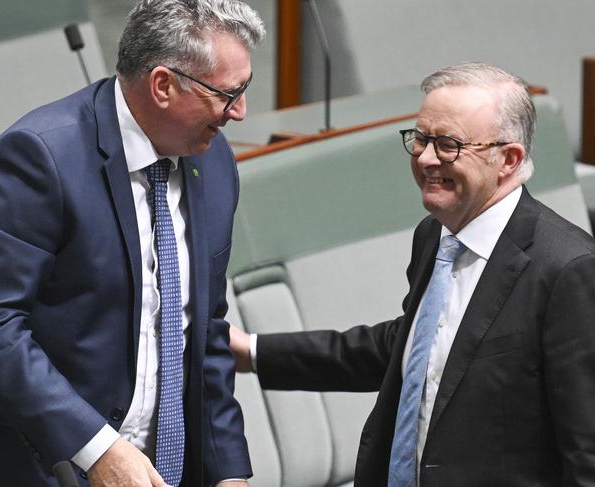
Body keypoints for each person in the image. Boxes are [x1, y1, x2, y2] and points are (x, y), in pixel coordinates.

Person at [230, 63, 595, 486]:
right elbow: (410, 349)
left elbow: (587, 451)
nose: (424, 158)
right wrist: (254, 351)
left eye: (448, 145)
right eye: (420, 139)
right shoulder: (435, 236)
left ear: (507, 159)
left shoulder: (568, 269)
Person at [0, 0, 264, 486]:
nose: (240, 112)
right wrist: (95, 448)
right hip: (31, 463)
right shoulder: (39, 158)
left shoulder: (213, 160)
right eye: (228, 93)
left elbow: (203, 329)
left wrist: (229, 472)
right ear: (163, 85)